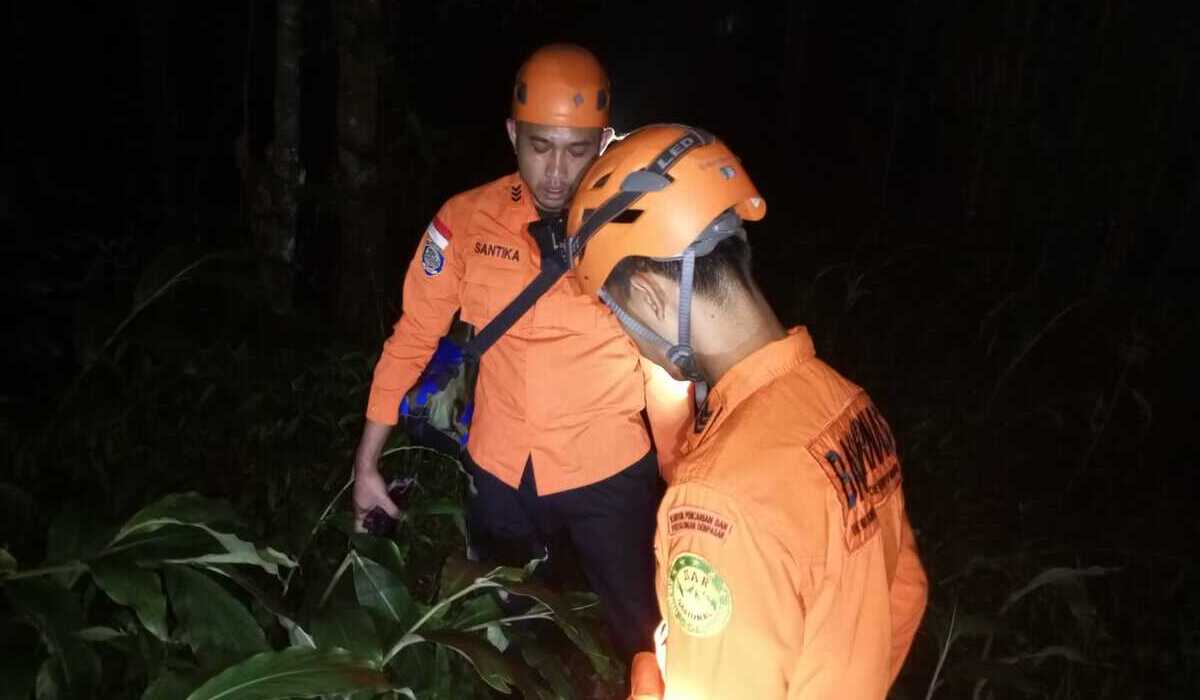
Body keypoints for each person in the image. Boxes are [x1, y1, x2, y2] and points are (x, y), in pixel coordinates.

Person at [350, 45, 691, 664]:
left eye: (577, 150)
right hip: (501, 473)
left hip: (610, 475)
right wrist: (366, 462)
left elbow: (673, 363)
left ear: (605, 142)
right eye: (540, 146)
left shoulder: (645, 227)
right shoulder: (465, 222)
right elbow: (412, 338)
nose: (557, 172)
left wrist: (686, 475)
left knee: (642, 633)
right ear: (512, 134)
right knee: (508, 636)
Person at [566, 124, 929, 699]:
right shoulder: (847, 404)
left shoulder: (717, 502)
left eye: (618, 313)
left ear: (653, 297)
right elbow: (904, 593)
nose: (629, 338)